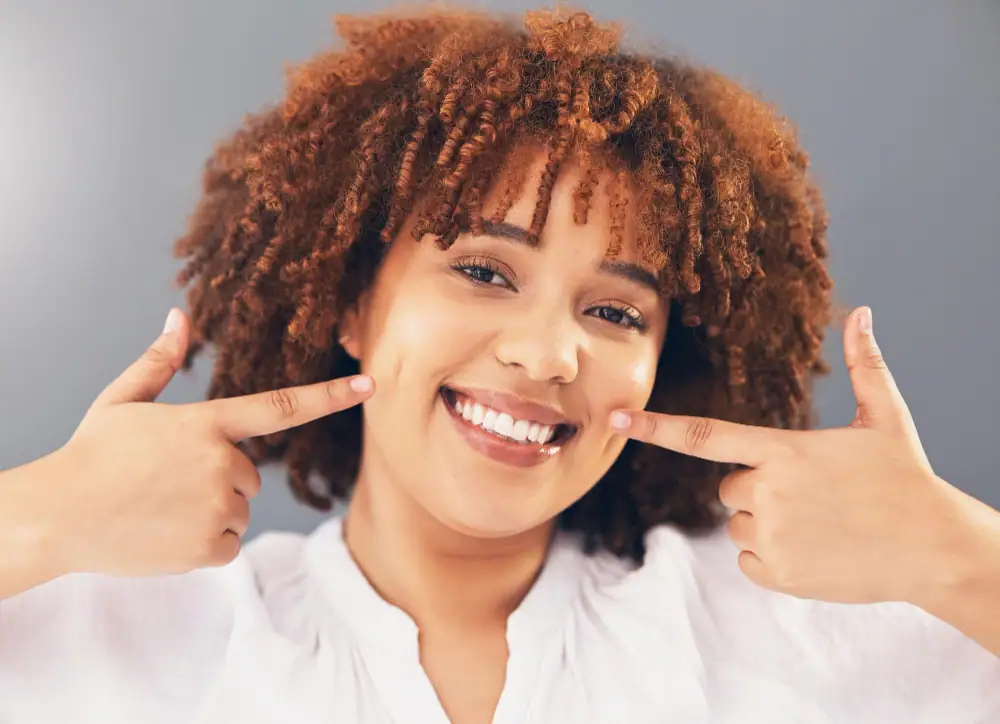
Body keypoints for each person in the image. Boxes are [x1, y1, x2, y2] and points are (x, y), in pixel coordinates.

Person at [0, 6, 998, 723]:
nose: (545, 352)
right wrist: (39, 515)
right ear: (352, 302)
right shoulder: (114, 636)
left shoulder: (797, 637)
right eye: (483, 270)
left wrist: (955, 554)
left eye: (613, 309)